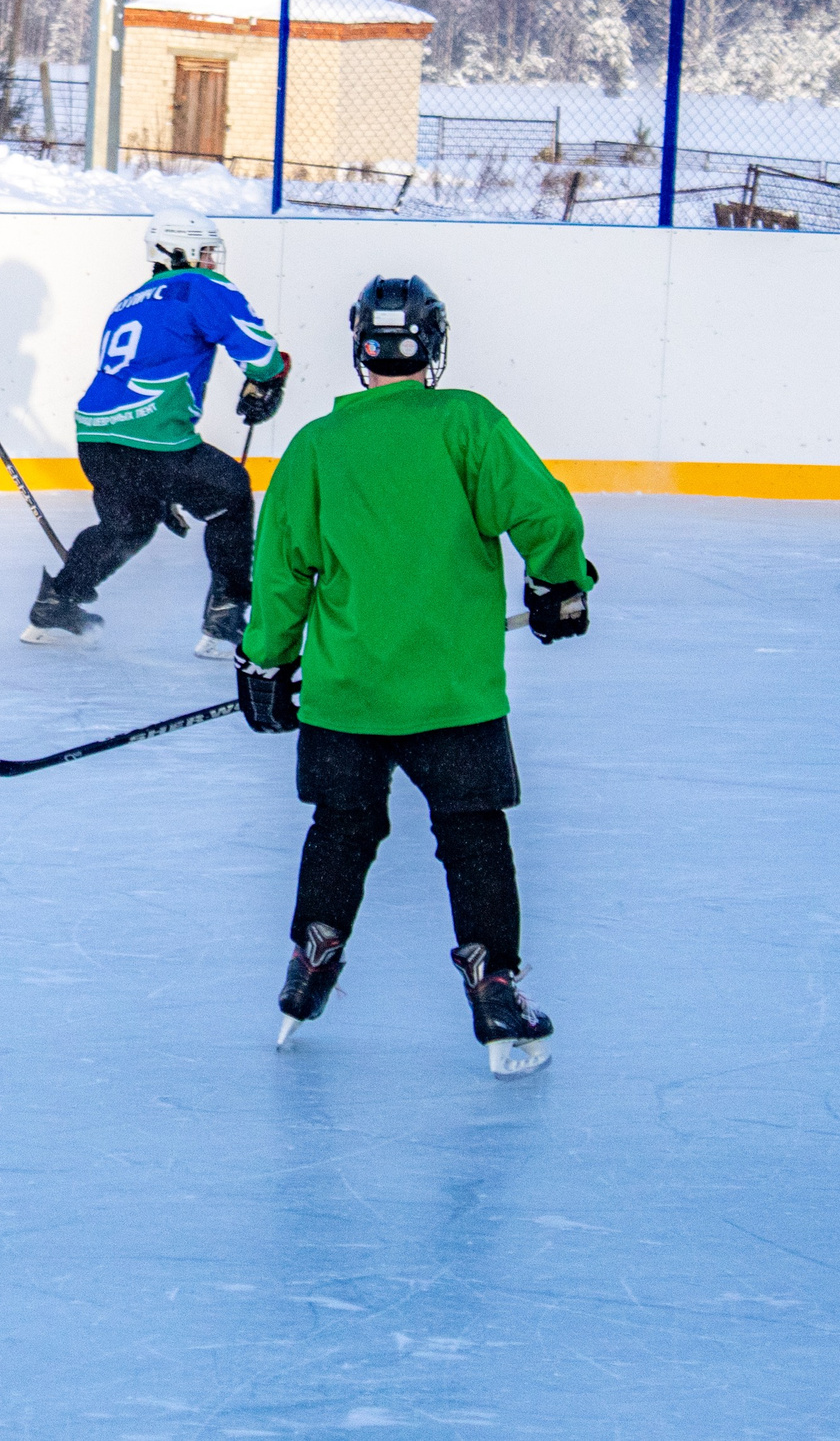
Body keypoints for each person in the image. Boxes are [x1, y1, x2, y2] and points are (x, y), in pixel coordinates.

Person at [235, 276, 594, 1078]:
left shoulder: (316, 446)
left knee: (341, 827)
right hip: (452, 695)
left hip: (346, 695)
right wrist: (557, 584)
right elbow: (547, 516)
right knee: (473, 835)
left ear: (359, 347)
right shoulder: (466, 422)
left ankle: (310, 965)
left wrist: (266, 660)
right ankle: (495, 991)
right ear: (432, 344)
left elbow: (281, 572)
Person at [26, 210, 287, 655]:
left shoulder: (130, 300)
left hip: (96, 437)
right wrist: (270, 378)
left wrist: (159, 487)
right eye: (205, 251)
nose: (210, 261)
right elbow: (259, 354)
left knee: (129, 524)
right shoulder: (199, 285)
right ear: (180, 250)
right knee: (230, 494)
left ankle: (56, 602)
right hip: (153, 436)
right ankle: (225, 618)